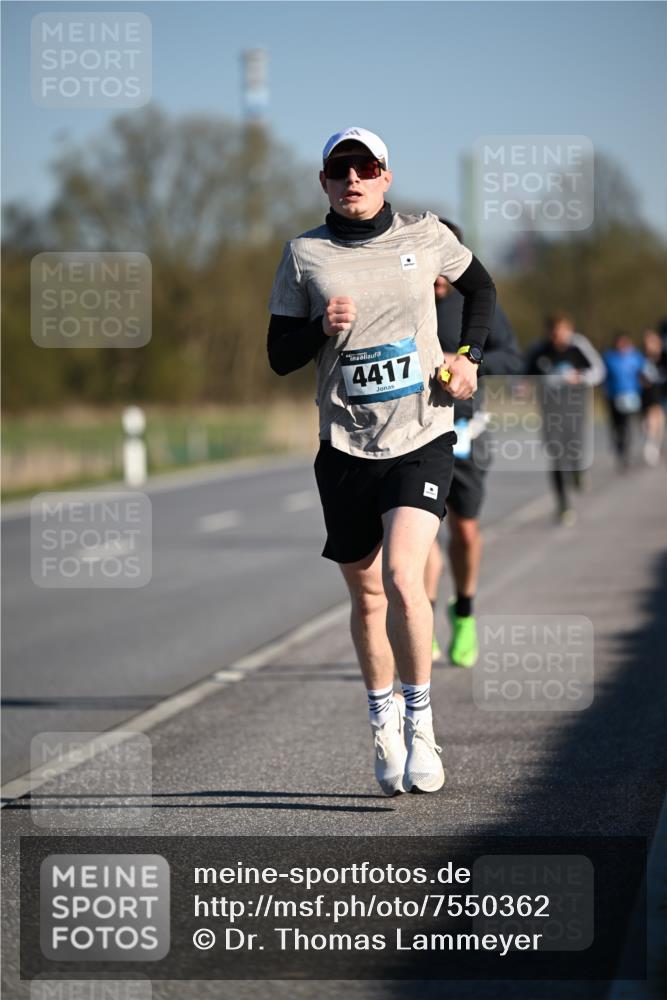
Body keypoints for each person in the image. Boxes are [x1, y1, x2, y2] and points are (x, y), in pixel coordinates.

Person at [268, 127, 496, 795]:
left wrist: (467, 359)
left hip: (420, 432)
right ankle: (383, 724)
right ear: (324, 183)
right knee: (366, 595)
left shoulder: (425, 236)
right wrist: (319, 327)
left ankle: (421, 722)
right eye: (339, 170)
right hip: (343, 445)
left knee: (402, 575)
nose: (352, 180)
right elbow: (279, 354)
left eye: (365, 168)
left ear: (385, 176)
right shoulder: (303, 254)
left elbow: (481, 290)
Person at [424, 220, 523, 668]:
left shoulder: (474, 301)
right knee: (421, 532)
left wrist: (465, 360)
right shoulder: (410, 297)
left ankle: (463, 612)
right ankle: (420, 620)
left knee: (463, 530)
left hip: (467, 431)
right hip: (419, 432)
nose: (439, 277)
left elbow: (512, 356)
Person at [525, 312, 605, 526]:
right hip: (551, 414)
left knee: (575, 449)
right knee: (557, 457)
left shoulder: (578, 347)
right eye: (554, 331)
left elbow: (598, 371)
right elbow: (522, 376)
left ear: (569, 329)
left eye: (562, 331)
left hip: (576, 411)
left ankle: (579, 470)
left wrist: (581, 378)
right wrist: (522, 386)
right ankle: (563, 506)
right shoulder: (539, 351)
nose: (558, 336)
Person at [602, 332, 644, 470]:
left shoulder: (636, 357)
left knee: (626, 424)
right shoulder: (609, 357)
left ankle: (625, 451)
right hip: (613, 396)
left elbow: (643, 372)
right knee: (616, 425)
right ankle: (619, 446)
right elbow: (602, 376)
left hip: (631, 395)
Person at [639, 327, 667, 466]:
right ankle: (650, 442)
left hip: (662, 391)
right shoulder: (641, 359)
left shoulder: (663, 359)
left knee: (660, 419)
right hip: (647, 393)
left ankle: (655, 442)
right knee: (652, 416)